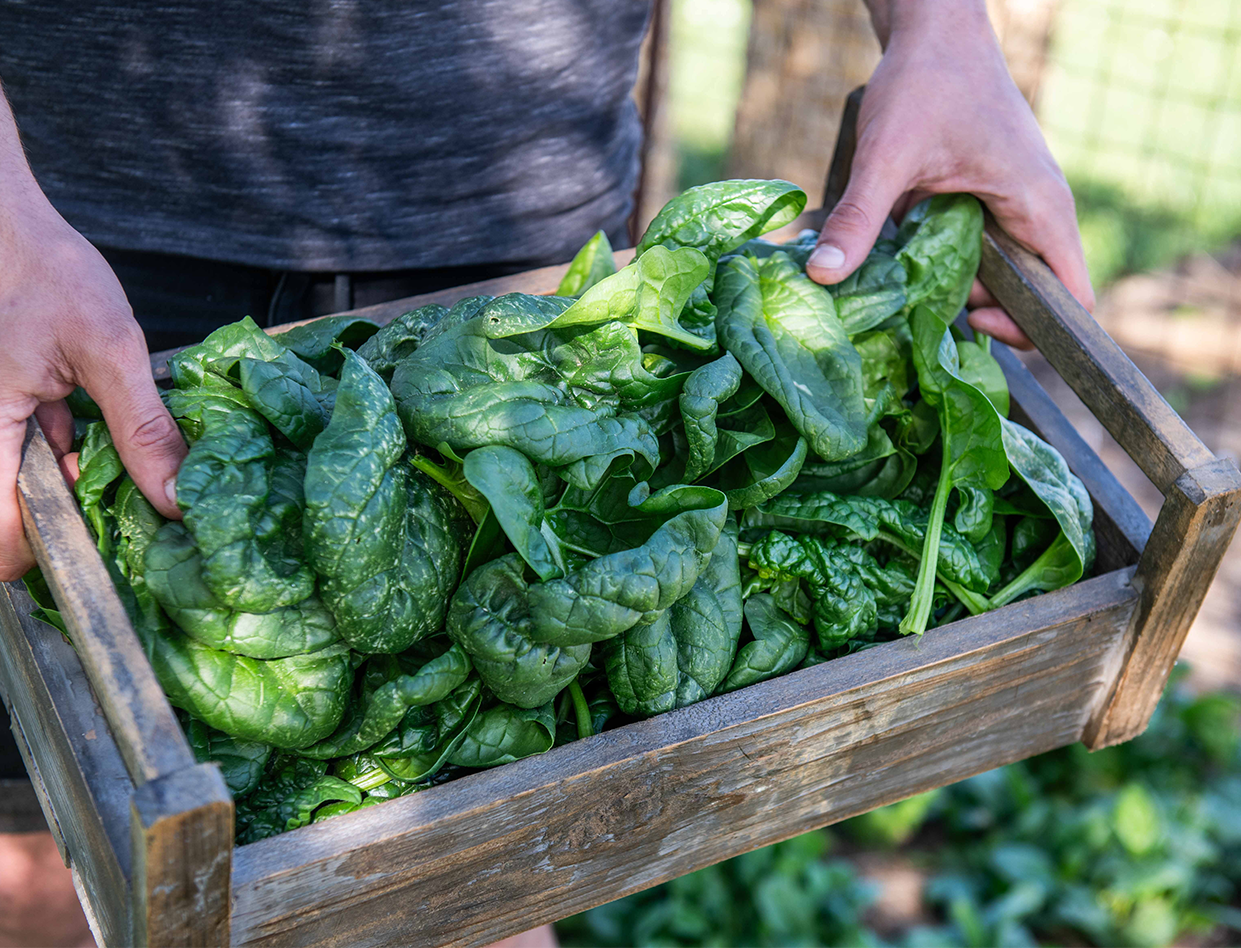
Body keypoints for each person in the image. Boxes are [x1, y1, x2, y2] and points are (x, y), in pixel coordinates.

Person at [0, 2, 1094, 946]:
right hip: (71, 239)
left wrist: (943, 29)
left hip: (510, 226)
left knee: (469, 873)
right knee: (64, 834)